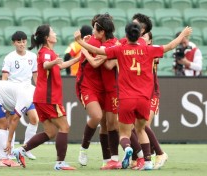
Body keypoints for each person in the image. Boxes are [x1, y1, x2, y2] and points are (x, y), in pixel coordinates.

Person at [74, 22, 192, 170]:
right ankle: (148, 161)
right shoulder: (148, 49)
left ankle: (128, 148)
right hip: (143, 99)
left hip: (126, 99)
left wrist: (79, 42)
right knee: (141, 129)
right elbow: (169, 46)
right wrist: (182, 35)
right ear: (139, 36)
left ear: (126, 35)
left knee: (124, 133)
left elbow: (98, 50)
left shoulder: (120, 49)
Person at [12, 24, 79, 170]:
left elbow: (60, 66)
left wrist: (78, 58)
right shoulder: (46, 52)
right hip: (48, 98)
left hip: (41, 98)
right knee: (64, 126)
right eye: (53, 32)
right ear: (47, 38)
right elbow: (47, 64)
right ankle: (60, 163)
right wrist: (53, 62)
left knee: (51, 132)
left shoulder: (48, 52)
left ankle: (20, 151)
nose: (55, 33)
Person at [80, 15, 122, 170]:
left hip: (109, 88)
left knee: (110, 124)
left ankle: (109, 160)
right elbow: (96, 62)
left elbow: (106, 63)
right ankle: (84, 148)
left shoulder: (111, 43)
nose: (93, 30)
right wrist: (84, 45)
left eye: (95, 27)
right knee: (99, 117)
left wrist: (83, 45)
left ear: (102, 31)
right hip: (89, 85)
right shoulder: (95, 41)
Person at [2, 31, 39, 160]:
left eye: (24, 41)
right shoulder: (9, 58)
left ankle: (26, 149)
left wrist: (39, 90)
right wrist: (4, 96)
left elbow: (35, 75)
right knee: (11, 121)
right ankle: (10, 151)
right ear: (14, 43)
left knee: (34, 119)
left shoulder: (32, 56)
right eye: (19, 42)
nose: (22, 44)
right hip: (13, 93)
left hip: (28, 92)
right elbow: (5, 77)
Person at [0, 80, 34, 167]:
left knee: (4, 125)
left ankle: (4, 158)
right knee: (2, 125)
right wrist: (9, 141)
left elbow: (9, 103)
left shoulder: (31, 90)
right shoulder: (27, 98)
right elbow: (15, 120)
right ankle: (3, 160)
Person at [142, 31, 168, 170]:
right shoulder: (136, 50)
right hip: (141, 94)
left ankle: (160, 153)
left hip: (152, 94)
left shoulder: (152, 50)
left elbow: (157, 56)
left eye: (144, 36)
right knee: (137, 126)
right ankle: (148, 156)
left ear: (150, 41)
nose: (141, 38)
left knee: (144, 124)